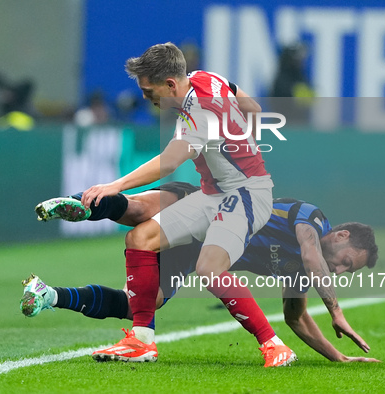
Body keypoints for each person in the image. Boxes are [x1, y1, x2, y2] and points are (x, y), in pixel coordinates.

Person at [73, 42, 295, 366]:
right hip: (212, 194)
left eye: (150, 92)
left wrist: (115, 184)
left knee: (209, 268)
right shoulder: (205, 78)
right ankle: (142, 341)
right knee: (139, 238)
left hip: (248, 193)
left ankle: (274, 345)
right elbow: (253, 108)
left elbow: (169, 162)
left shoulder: (200, 110)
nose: (147, 99)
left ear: (171, 85)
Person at [22, 182, 380, 364]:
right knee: (137, 211)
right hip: (204, 205)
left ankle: (49, 294)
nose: (339, 270)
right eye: (346, 261)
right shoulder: (312, 220)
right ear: (341, 235)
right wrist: (336, 310)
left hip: (195, 250)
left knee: (141, 304)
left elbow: (297, 317)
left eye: (346, 270)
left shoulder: (300, 272)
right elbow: (312, 252)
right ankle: (82, 206)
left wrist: (340, 357)